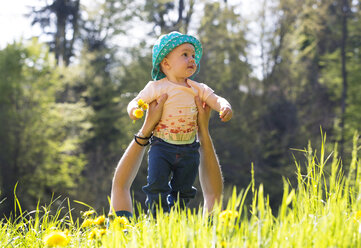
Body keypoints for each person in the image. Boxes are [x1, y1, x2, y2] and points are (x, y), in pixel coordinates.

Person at [127, 31, 231, 214]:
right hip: (161, 146)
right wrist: (134, 111)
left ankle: (177, 218)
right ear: (166, 63)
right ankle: (158, 218)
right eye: (185, 55)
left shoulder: (198, 88)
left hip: (189, 148)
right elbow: (136, 101)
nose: (192, 59)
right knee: (156, 185)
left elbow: (216, 99)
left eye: (193, 55)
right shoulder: (157, 87)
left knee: (184, 190)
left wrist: (224, 107)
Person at [109, 94, 223, 218]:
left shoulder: (126, 235)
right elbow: (214, 195)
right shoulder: (206, 238)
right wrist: (203, 132)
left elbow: (120, 187)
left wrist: (147, 128)